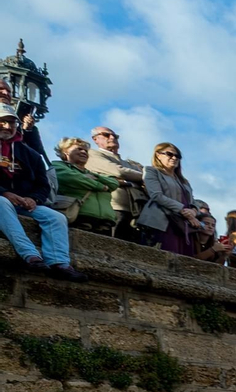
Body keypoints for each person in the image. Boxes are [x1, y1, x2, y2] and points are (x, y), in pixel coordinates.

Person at [1, 105, 79, 278]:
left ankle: (59, 263)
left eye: (12, 123)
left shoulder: (30, 154)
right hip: (2, 199)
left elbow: (43, 184)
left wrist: (33, 198)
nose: (7, 126)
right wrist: (4, 192)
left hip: (23, 202)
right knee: (1, 202)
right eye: (3, 121)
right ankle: (30, 255)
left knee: (56, 217)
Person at [85, 125, 147, 241]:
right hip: (114, 207)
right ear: (95, 139)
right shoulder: (93, 154)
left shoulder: (130, 164)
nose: (112, 137)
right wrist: (144, 178)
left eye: (115, 136)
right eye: (106, 135)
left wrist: (127, 180)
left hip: (136, 209)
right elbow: (118, 171)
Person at [138, 142, 199, 257]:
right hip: (162, 222)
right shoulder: (151, 171)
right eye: (169, 154)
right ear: (158, 155)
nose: (174, 158)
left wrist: (194, 211)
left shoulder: (183, 181)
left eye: (177, 156)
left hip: (182, 226)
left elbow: (192, 200)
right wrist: (183, 210)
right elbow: (156, 195)